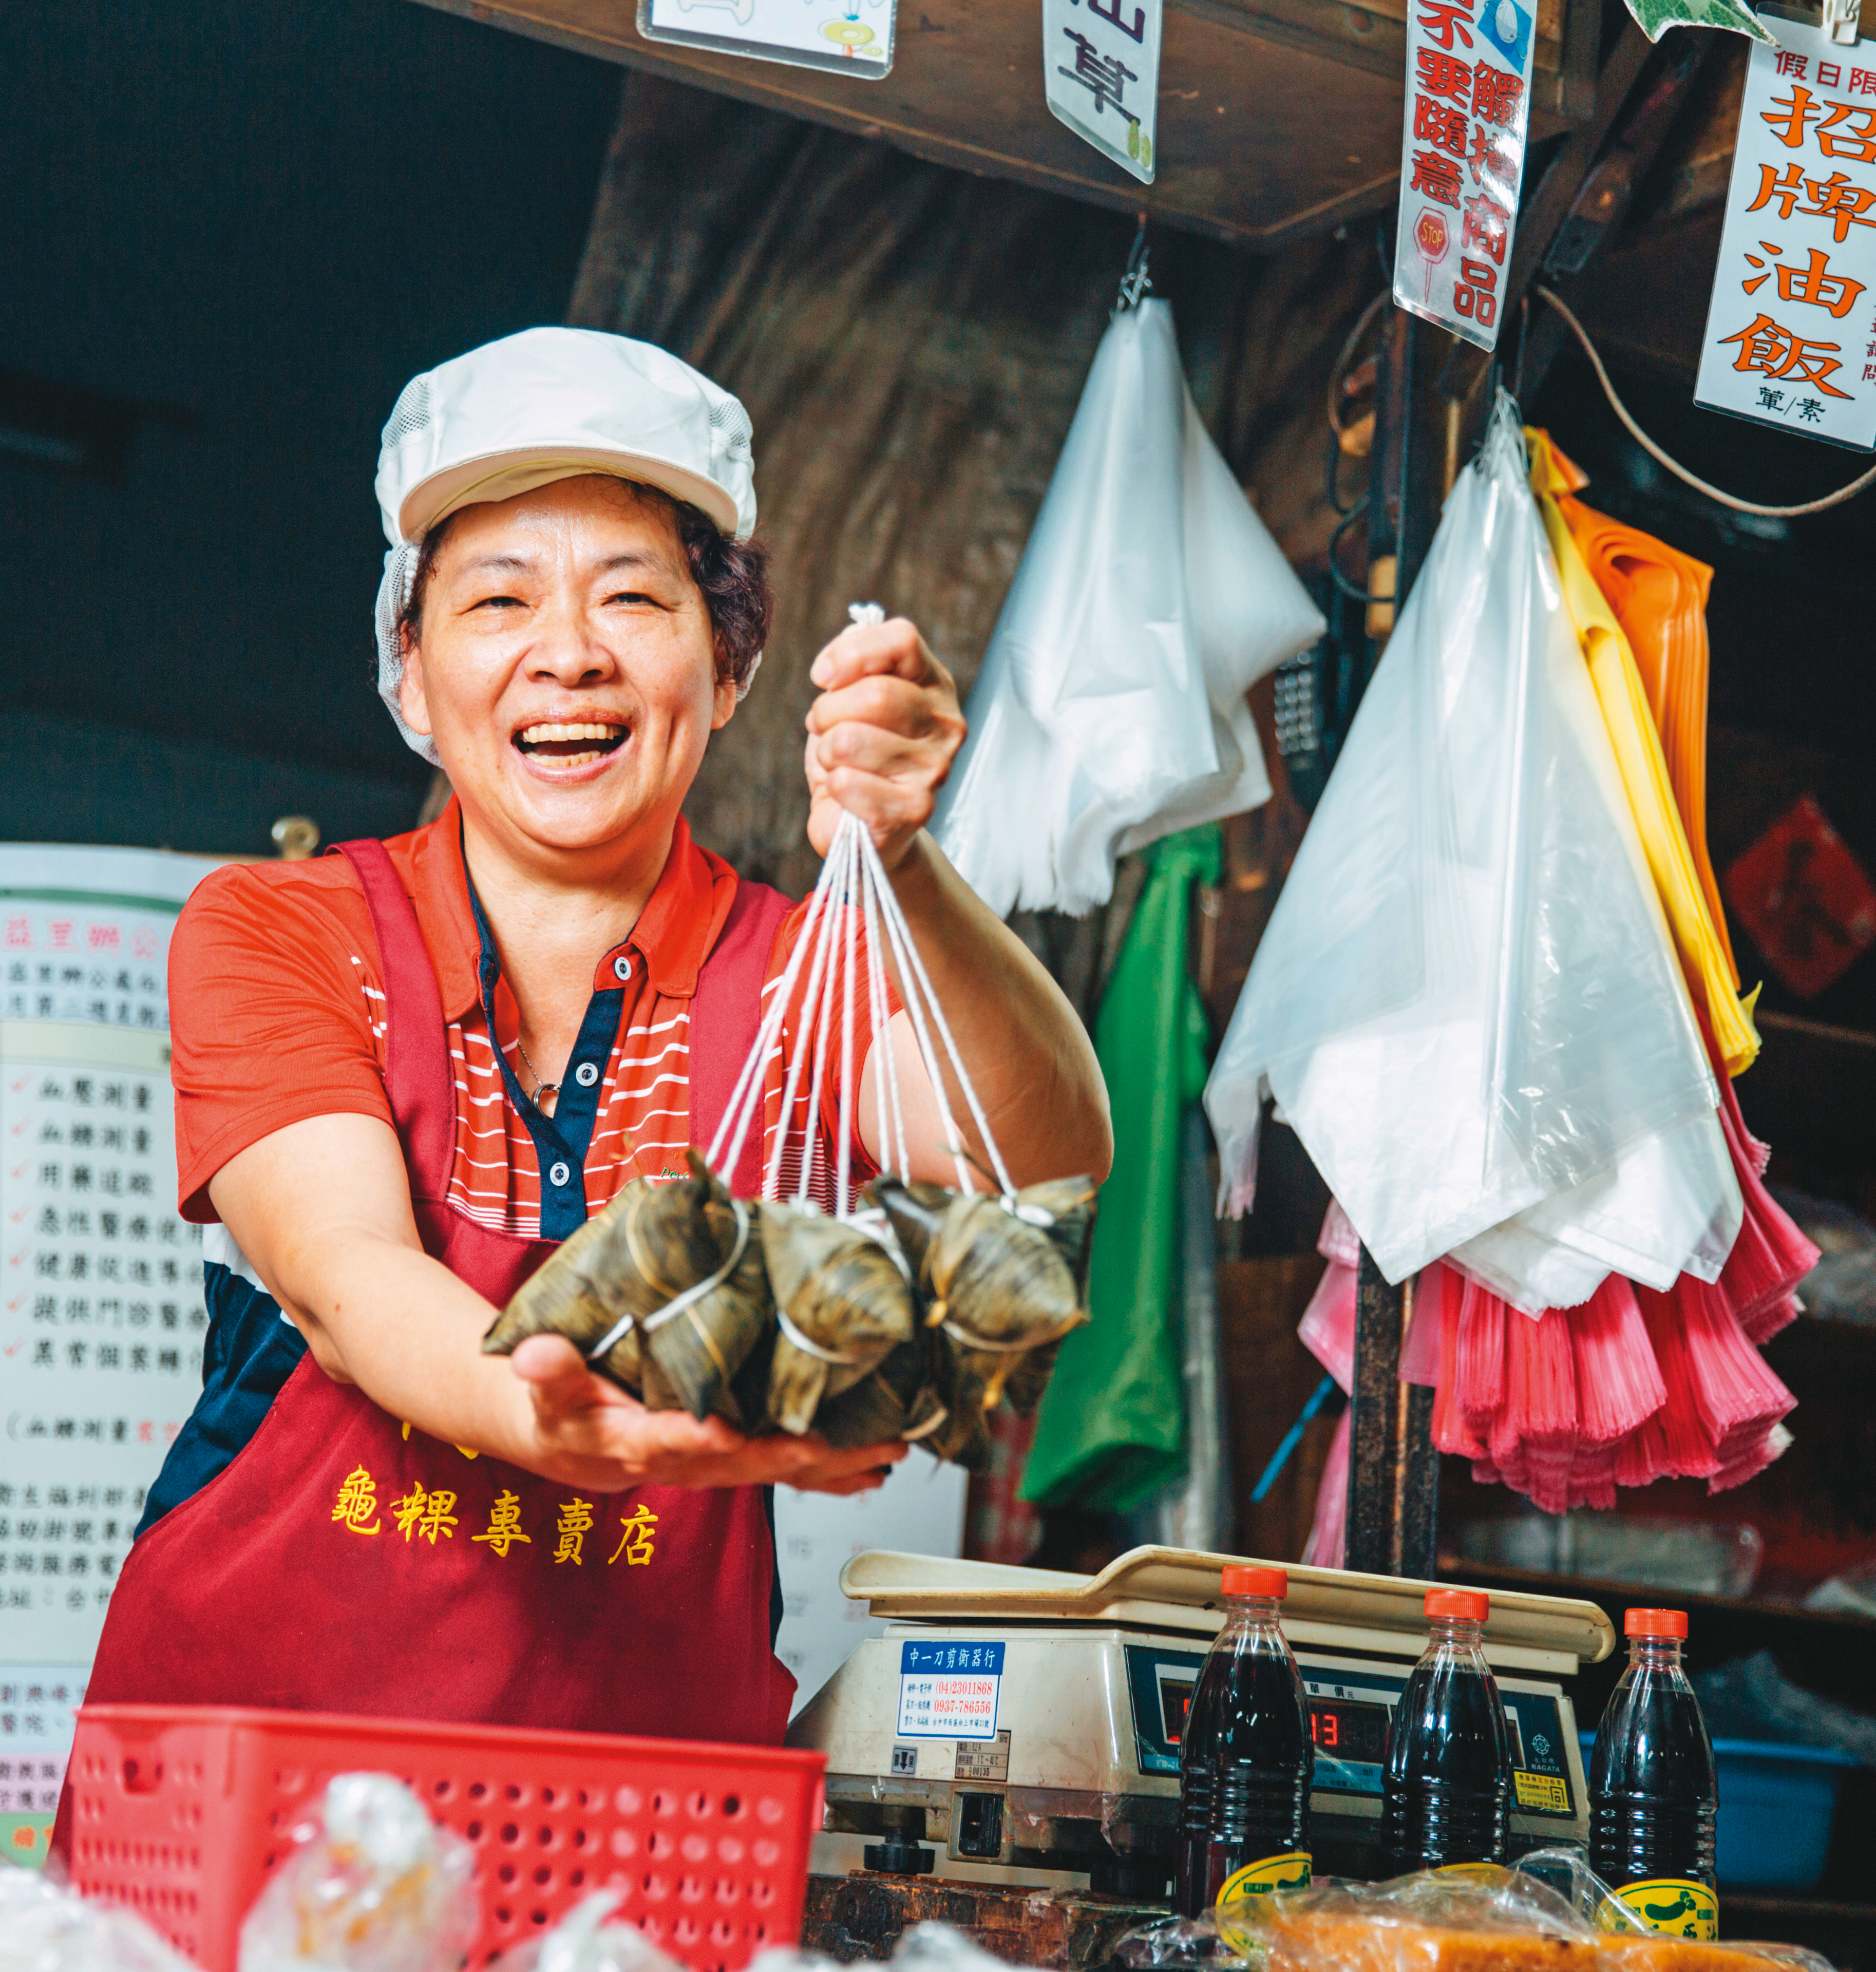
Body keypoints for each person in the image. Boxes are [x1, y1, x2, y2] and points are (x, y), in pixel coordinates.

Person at [85, 329, 1112, 1745]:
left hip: (643, 1816)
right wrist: (559, 1417)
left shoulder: (797, 970)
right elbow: (343, 1275)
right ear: (412, 670)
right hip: (252, 1772)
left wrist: (907, 866)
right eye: (497, 600)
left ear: (730, 663)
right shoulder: (282, 929)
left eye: (634, 598)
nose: (566, 656)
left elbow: (1040, 1168)